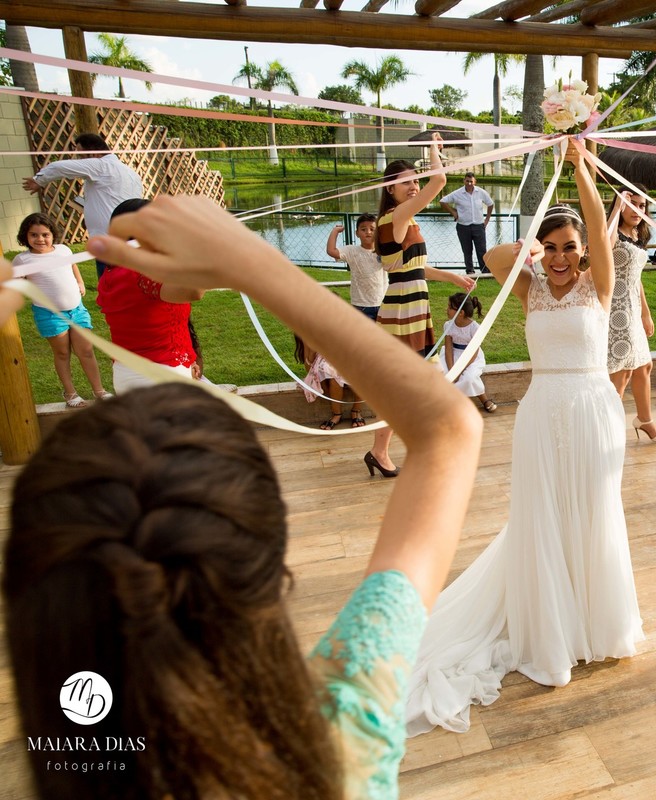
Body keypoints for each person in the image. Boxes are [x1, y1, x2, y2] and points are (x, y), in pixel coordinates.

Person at [3, 195, 482, 800]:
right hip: (171, 373)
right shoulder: (341, 737)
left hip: (132, 379)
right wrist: (255, 264)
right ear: (274, 566)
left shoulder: (112, 286)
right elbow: (448, 428)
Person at [405, 139, 644, 735]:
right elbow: (493, 256)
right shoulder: (530, 284)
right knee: (543, 517)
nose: (561, 259)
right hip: (543, 413)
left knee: (592, 512)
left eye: (571, 250)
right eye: (553, 249)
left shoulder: (601, 284)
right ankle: (551, 630)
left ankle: (593, 624)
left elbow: (593, 224)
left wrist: (583, 166)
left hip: (593, 411)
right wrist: (536, 246)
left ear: (587, 253)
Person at [368, 133, 475, 478]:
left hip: (411, 306)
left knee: (407, 384)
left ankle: (384, 449)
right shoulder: (396, 218)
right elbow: (440, 180)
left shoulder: (404, 221)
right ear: (390, 189)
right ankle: (397, 447)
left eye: (416, 180)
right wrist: (433, 148)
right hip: (402, 311)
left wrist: (453, 279)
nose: (414, 186)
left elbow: (415, 268)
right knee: (407, 385)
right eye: (406, 182)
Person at [96, 198, 205, 392]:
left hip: (129, 374)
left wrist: (189, 359)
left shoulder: (113, 271)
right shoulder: (142, 274)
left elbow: (160, 322)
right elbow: (195, 290)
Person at [9, 212, 112, 407]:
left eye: (45, 234)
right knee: (63, 353)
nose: (40, 239)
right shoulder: (23, 260)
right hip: (50, 315)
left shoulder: (63, 250)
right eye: (34, 235)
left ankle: (99, 390)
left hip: (77, 310)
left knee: (86, 351)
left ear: (52, 234)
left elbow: (72, 265)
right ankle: (70, 393)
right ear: (25, 236)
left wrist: (80, 281)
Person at [22, 132, 143, 279]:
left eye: (80, 155)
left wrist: (38, 181)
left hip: (109, 243)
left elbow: (58, 167)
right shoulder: (131, 174)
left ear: (91, 153)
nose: (79, 160)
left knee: (111, 288)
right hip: (133, 240)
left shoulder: (101, 166)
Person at [606, 187, 656, 443]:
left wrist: (646, 313)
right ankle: (605, 429)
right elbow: (601, 249)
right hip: (615, 310)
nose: (638, 211)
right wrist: (617, 208)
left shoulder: (636, 234)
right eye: (633, 204)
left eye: (642, 206)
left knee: (644, 367)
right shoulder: (613, 232)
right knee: (622, 372)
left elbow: (637, 279)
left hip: (633, 308)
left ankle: (644, 420)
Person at [295, 333, 366, 429]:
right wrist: (312, 350)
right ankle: (337, 414)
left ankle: (356, 410)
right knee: (332, 374)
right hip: (327, 364)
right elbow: (308, 367)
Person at [440, 292, 495, 413]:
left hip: (471, 358)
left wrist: (459, 370)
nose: (447, 309)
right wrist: (452, 370)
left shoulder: (475, 328)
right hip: (452, 354)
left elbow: (473, 352)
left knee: (469, 377)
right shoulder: (448, 325)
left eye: (450, 307)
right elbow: (448, 348)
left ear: (461, 313)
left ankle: (484, 399)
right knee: (442, 373)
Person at [325, 213, 387, 320]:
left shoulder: (383, 250)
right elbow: (331, 251)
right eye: (363, 229)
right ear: (357, 233)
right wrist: (335, 231)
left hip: (383, 303)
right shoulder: (351, 251)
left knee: (383, 336)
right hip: (361, 306)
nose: (368, 232)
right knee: (363, 336)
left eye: (372, 229)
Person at [440, 172, 494, 275]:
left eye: (471, 181)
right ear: (464, 181)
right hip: (463, 226)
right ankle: (470, 271)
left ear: (475, 182)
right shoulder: (457, 193)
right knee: (467, 251)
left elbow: (490, 204)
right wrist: (453, 212)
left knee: (482, 250)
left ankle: (485, 271)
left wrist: (486, 220)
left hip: (479, 226)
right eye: (467, 181)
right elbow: (443, 201)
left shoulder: (481, 192)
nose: (469, 183)